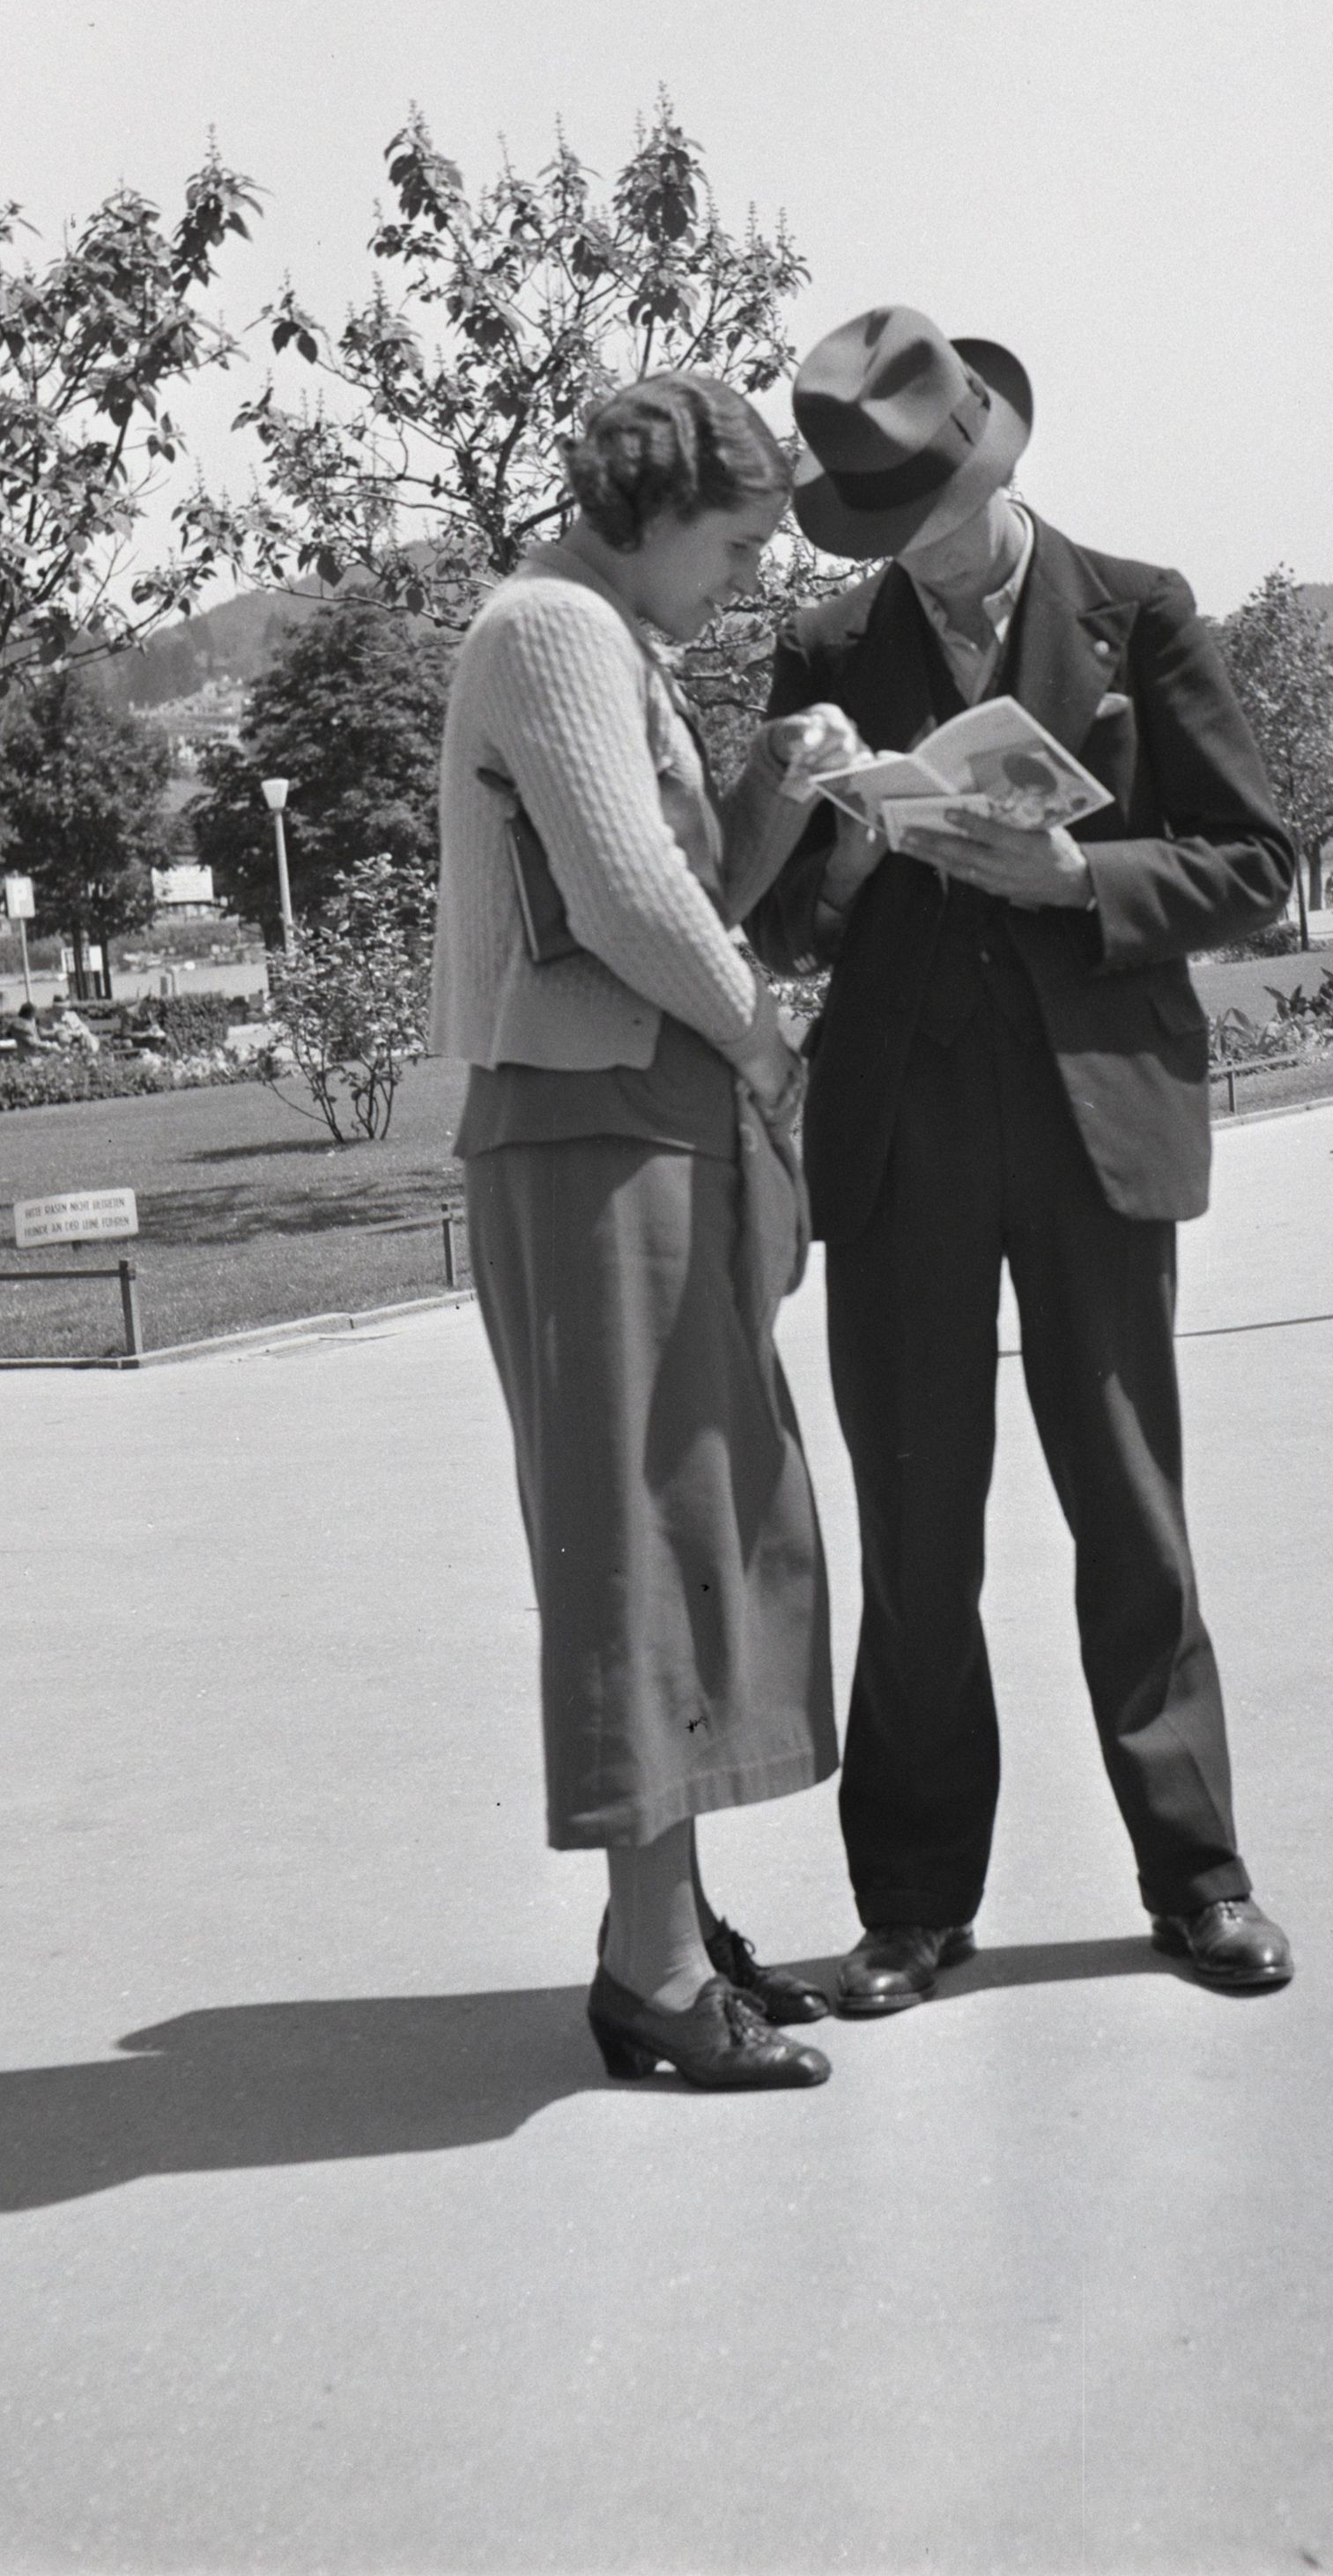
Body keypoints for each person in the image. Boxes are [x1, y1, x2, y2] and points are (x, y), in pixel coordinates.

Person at [749, 304, 1301, 2011]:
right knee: (916, 1532)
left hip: (1092, 1124)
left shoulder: (1138, 610)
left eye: (928, 511)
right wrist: (832, 838)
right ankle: (912, 1902)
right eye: (880, 526)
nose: (912, 551)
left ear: (991, 465)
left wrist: (1080, 881)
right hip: (899, 1132)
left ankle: (1195, 1876)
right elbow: (777, 920)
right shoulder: (824, 651)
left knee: (1128, 1512)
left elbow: (1253, 862)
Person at [434, 371, 865, 2094]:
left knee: (683, 1518)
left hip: (632, 1122)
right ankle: (652, 1971)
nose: (746, 580)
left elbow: (678, 890)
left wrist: (769, 785)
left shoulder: (608, 642)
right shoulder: (550, 630)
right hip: (588, 1133)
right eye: (735, 545)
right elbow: (624, 906)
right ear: (647, 509)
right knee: (634, 1532)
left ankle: (664, 1928)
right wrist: (764, 1035)